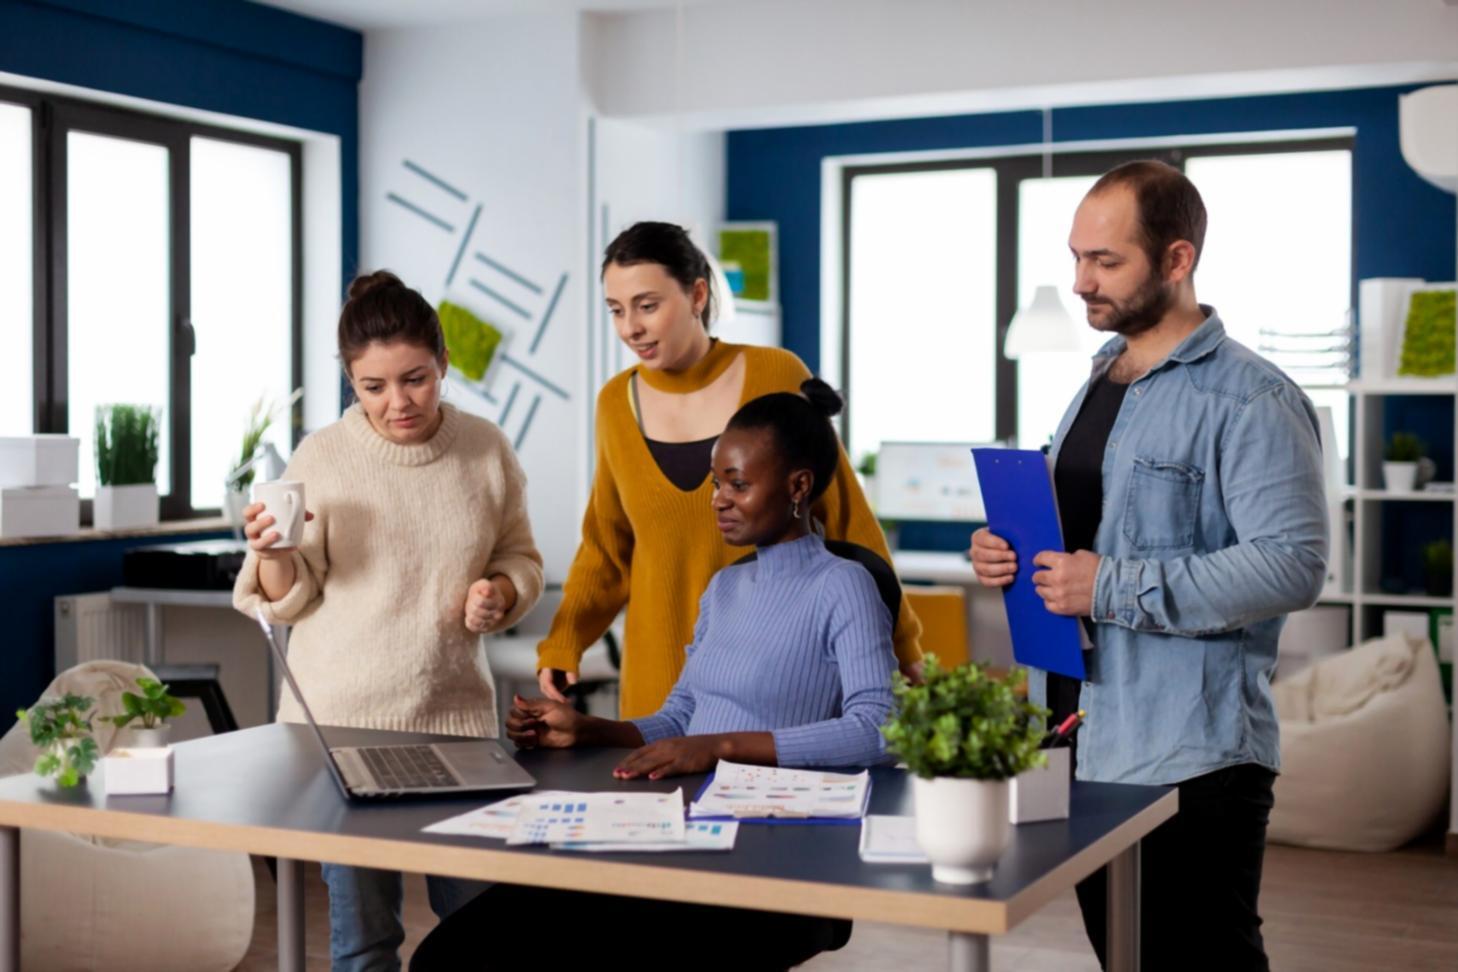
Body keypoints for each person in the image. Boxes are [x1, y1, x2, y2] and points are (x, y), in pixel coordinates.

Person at [970, 160, 1327, 971]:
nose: (1081, 282)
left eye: (1106, 261)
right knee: (1124, 957)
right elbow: (1090, 526)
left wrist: (1108, 585)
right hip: (1082, 738)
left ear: (1177, 259)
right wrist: (1006, 550)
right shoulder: (1100, 380)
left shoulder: (1252, 399)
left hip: (1189, 756)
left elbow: (1293, 564)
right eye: (1075, 258)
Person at [408, 379, 894, 970]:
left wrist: (720, 748)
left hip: (770, 857)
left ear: (798, 486)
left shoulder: (844, 585)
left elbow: (879, 728)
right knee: (449, 953)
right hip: (677, 832)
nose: (719, 499)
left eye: (738, 484)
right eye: (716, 484)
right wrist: (588, 730)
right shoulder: (725, 588)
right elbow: (679, 717)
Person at [233, 270, 546, 972]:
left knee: (484, 938)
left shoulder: (486, 449)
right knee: (365, 945)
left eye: (416, 379)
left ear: (444, 364)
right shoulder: (322, 456)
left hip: (455, 723)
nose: (397, 402)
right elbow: (291, 597)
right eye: (373, 386)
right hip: (341, 730)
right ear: (350, 380)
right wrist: (273, 554)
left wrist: (499, 591)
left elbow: (520, 556)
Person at [534, 221, 921, 719]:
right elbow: (606, 548)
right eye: (616, 310)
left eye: (647, 306)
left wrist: (903, 646)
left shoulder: (776, 374)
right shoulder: (614, 403)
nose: (630, 327)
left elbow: (850, 524)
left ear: (697, 295)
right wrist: (564, 642)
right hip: (656, 684)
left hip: (776, 686)